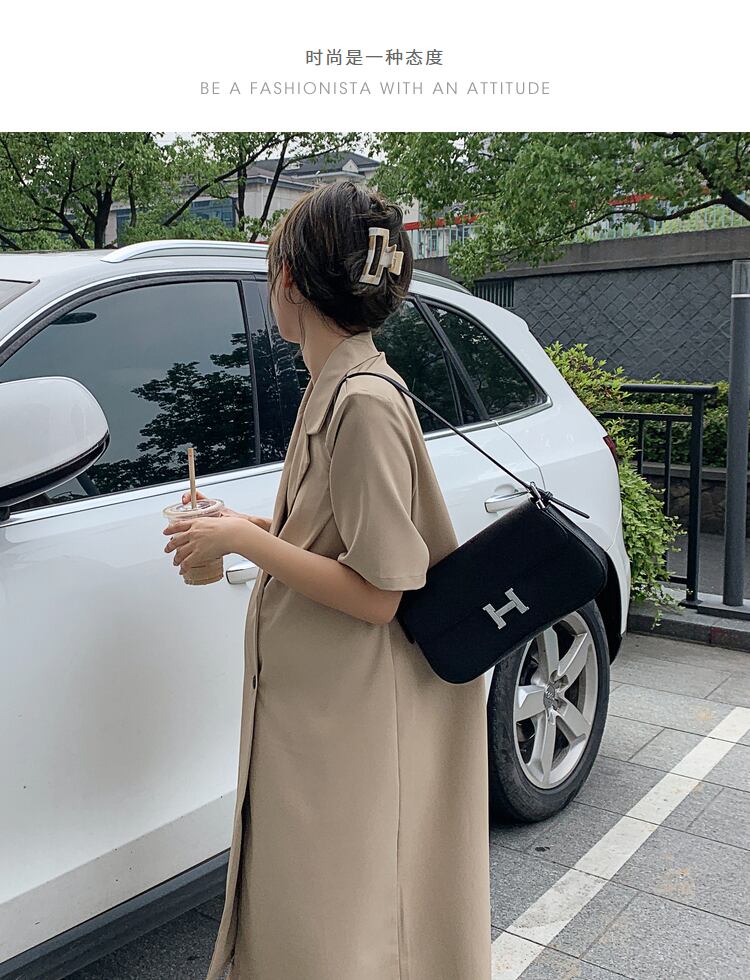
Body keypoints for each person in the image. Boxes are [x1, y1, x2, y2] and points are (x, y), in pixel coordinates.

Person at [162, 180, 492, 980]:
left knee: (343, 930)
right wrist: (247, 526)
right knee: (315, 920)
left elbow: (380, 592)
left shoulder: (363, 402)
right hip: (325, 712)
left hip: (353, 720)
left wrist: (243, 538)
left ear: (289, 281)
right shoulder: (339, 383)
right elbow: (341, 537)